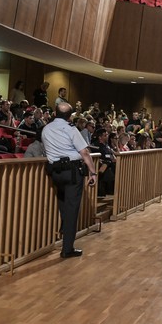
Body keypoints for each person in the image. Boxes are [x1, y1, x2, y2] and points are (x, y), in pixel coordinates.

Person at [42, 102, 97, 258]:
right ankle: (67, 248)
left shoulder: (46, 128)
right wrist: (93, 173)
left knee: (63, 205)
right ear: (70, 116)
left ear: (54, 113)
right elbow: (84, 152)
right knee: (72, 209)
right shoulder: (71, 129)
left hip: (55, 172)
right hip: (72, 171)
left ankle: (64, 232)